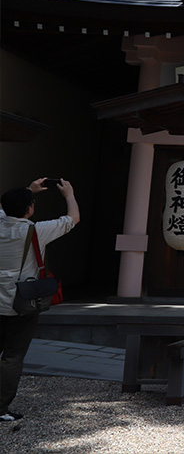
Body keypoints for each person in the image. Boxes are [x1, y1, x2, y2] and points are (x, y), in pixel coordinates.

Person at [1, 177, 80, 422]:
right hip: (20, 302)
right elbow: (73, 219)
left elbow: (6, 207)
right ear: (30, 209)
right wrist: (68, 194)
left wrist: (27, 190)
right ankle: (1, 408)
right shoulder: (36, 231)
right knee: (12, 356)